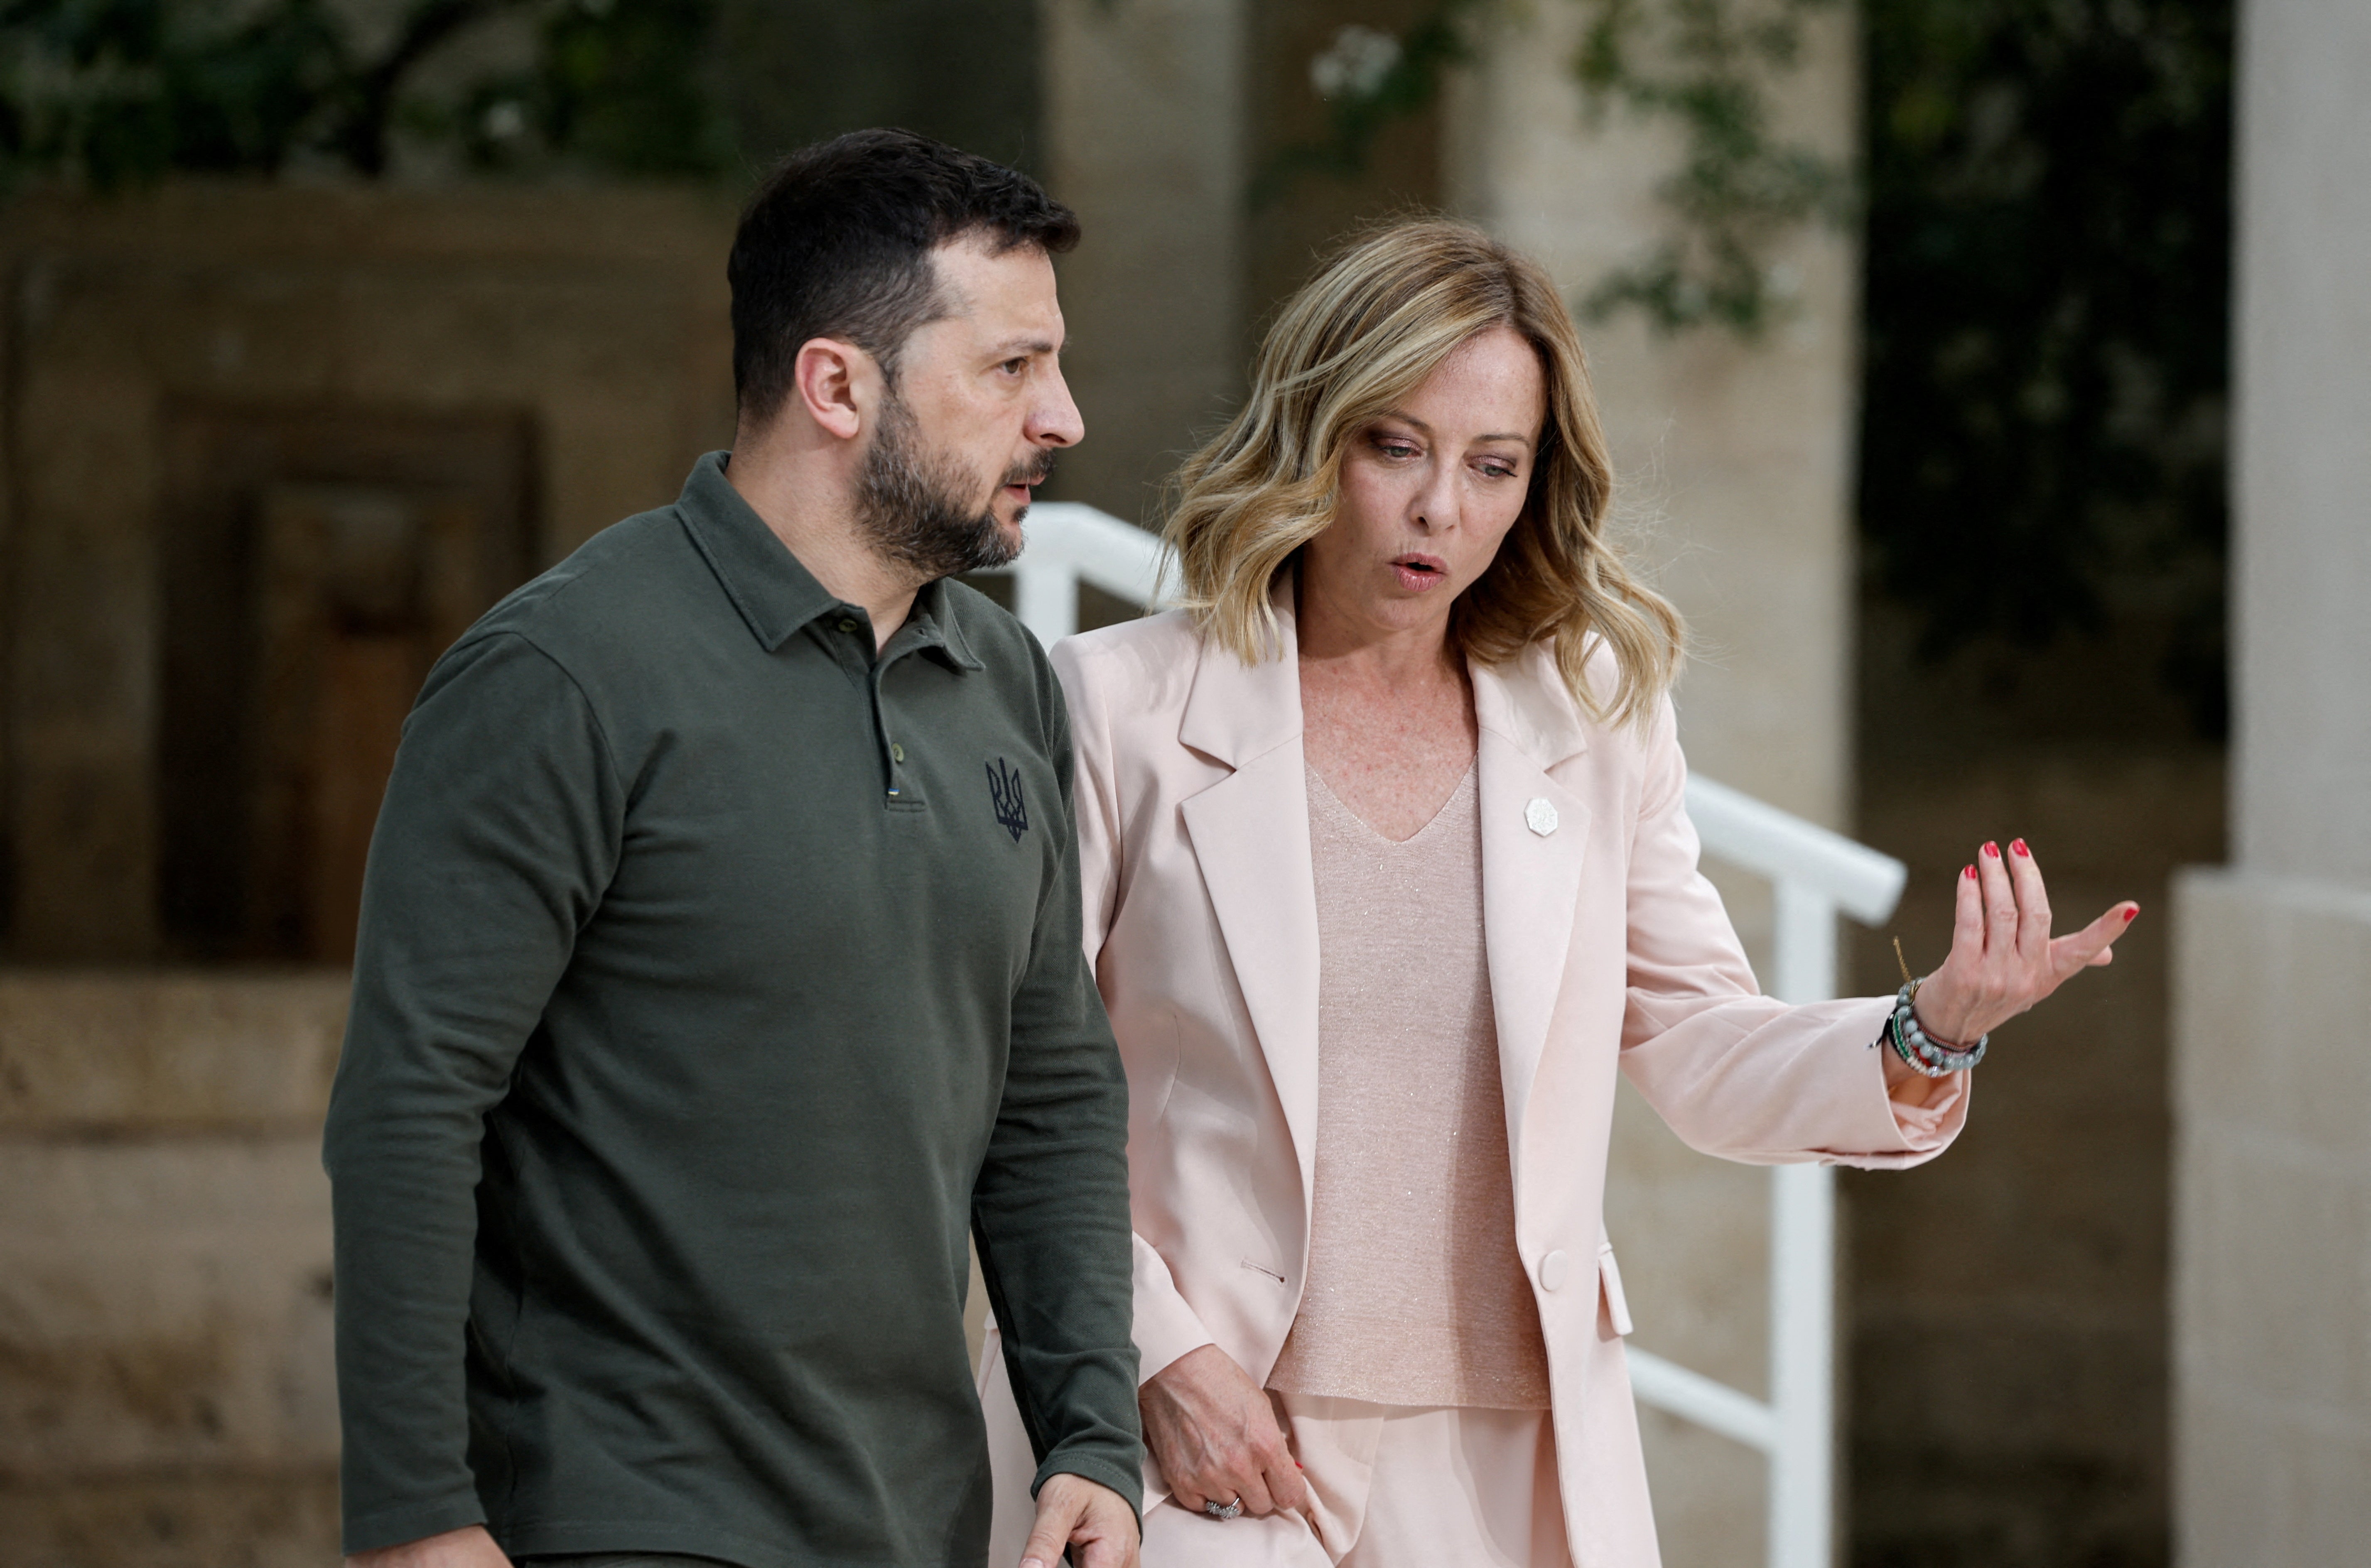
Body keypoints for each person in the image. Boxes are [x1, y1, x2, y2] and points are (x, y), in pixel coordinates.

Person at [975, 220, 2138, 1567]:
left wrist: (1929, 1026)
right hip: (1207, 1437)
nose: (1438, 512)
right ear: (1312, 433)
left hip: (1514, 1461)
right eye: (1393, 447)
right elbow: (1011, 1080)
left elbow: (1700, 1038)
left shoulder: (1592, 724)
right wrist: (1155, 1361)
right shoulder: (1113, 705)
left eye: (1492, 467)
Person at [324, 130, 1142, 1568]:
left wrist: (1089, 1433)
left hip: (918, 1521)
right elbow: (411, 1103)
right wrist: (415, 1515)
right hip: (623, 1514)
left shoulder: (1007, 682)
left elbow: (1051, 1091)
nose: (1062, 416)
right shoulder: (565, 673)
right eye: (1010, 369)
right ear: (838, 384)